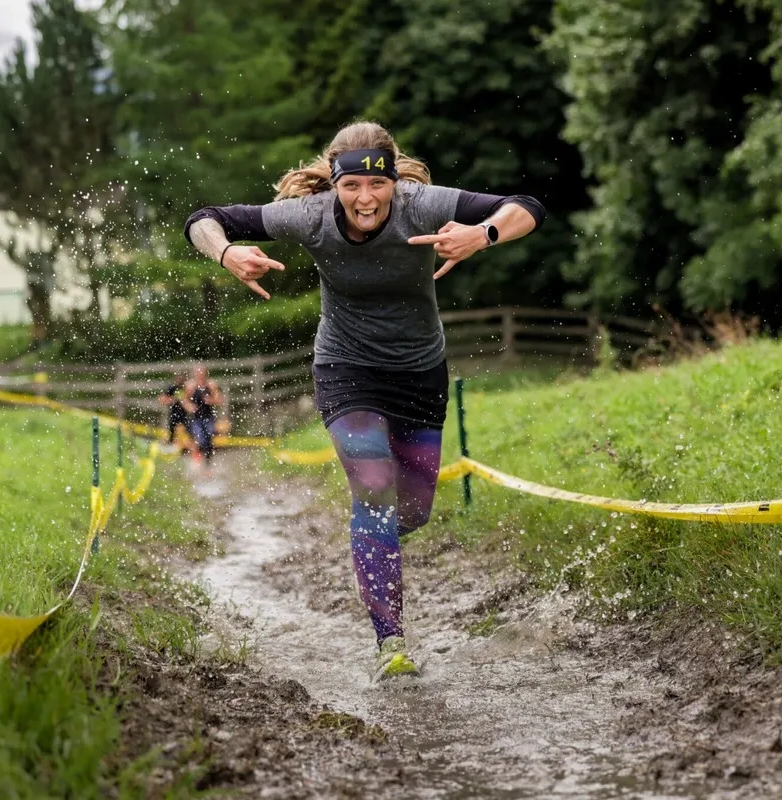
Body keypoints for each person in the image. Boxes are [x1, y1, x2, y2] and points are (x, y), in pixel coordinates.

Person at [183, 120, 545, 677]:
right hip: (346, 367)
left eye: (377, 185)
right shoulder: (309, 215)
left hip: (420, 371)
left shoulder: (422, 205)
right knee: (374, 490)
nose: (366, 198)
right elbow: (202, 219)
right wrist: (226, 253)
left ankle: (368, 538)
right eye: (352, 186)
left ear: (393, 181)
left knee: (413, 511)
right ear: (334, 182)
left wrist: (483, 235)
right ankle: (391, 643)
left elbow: (526, 206)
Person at [181, 365, 223, 467]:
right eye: (198, 373)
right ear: (195, 374)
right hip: (195, 418)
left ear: (205, 374)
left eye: (202, 373)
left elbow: (220, 400)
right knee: (200, 438)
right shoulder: (190, 386)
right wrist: (190, 406)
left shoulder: (211, 385)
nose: (200, 375)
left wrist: (211, 400)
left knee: (209, 437)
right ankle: (198, 461)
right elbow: (184, 400)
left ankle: (207, 463)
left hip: (208, 417)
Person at [158, 372, 189, 447]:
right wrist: (173, 400)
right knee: (171, 431)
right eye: (179, 378)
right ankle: (171, 445)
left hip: (185, 414)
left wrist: (184, 402)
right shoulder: (172, 388)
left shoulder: (187, 388)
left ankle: (184, 447)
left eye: (182, 378)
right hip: (173, 413)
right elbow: (161, 399)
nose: (180, 380)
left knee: (186, 432)